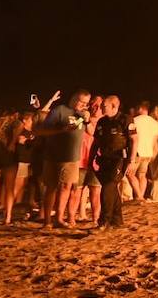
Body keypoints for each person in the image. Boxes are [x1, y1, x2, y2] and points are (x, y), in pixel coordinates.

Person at [36, 90, 92, 229]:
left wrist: (88, 119)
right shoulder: (60, 111)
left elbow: (90, 132)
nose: (83, 105)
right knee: (51, 188)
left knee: (67, 187)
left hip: (72, 157)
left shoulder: (82, 114)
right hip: (53, 157)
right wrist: (62, 130)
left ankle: (59, 218)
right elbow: (43, 131)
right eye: (81, 102)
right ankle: (47, 220)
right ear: (73, 99)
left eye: (86, 103)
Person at [90, 95, 133, 228]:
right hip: (104, 158)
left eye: (104, 106)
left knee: (108, 186)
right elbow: (96, 141)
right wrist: (91, 158)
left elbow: (134, 140)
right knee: (112, 189)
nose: (101, 108)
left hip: (120, 158)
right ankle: (117, 220)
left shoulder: (125, 119)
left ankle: (104, 221)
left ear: (114, 106)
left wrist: (131, 160)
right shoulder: (102, 121)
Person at [129, 101, 158, 202]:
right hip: (148, 152)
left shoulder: (134, 120)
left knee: (130, 174)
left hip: (137, 151)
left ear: (140, 109)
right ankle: (141, 196)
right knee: (142, 175)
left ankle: (139, 195)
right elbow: (155, 140)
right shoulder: (154, 123)